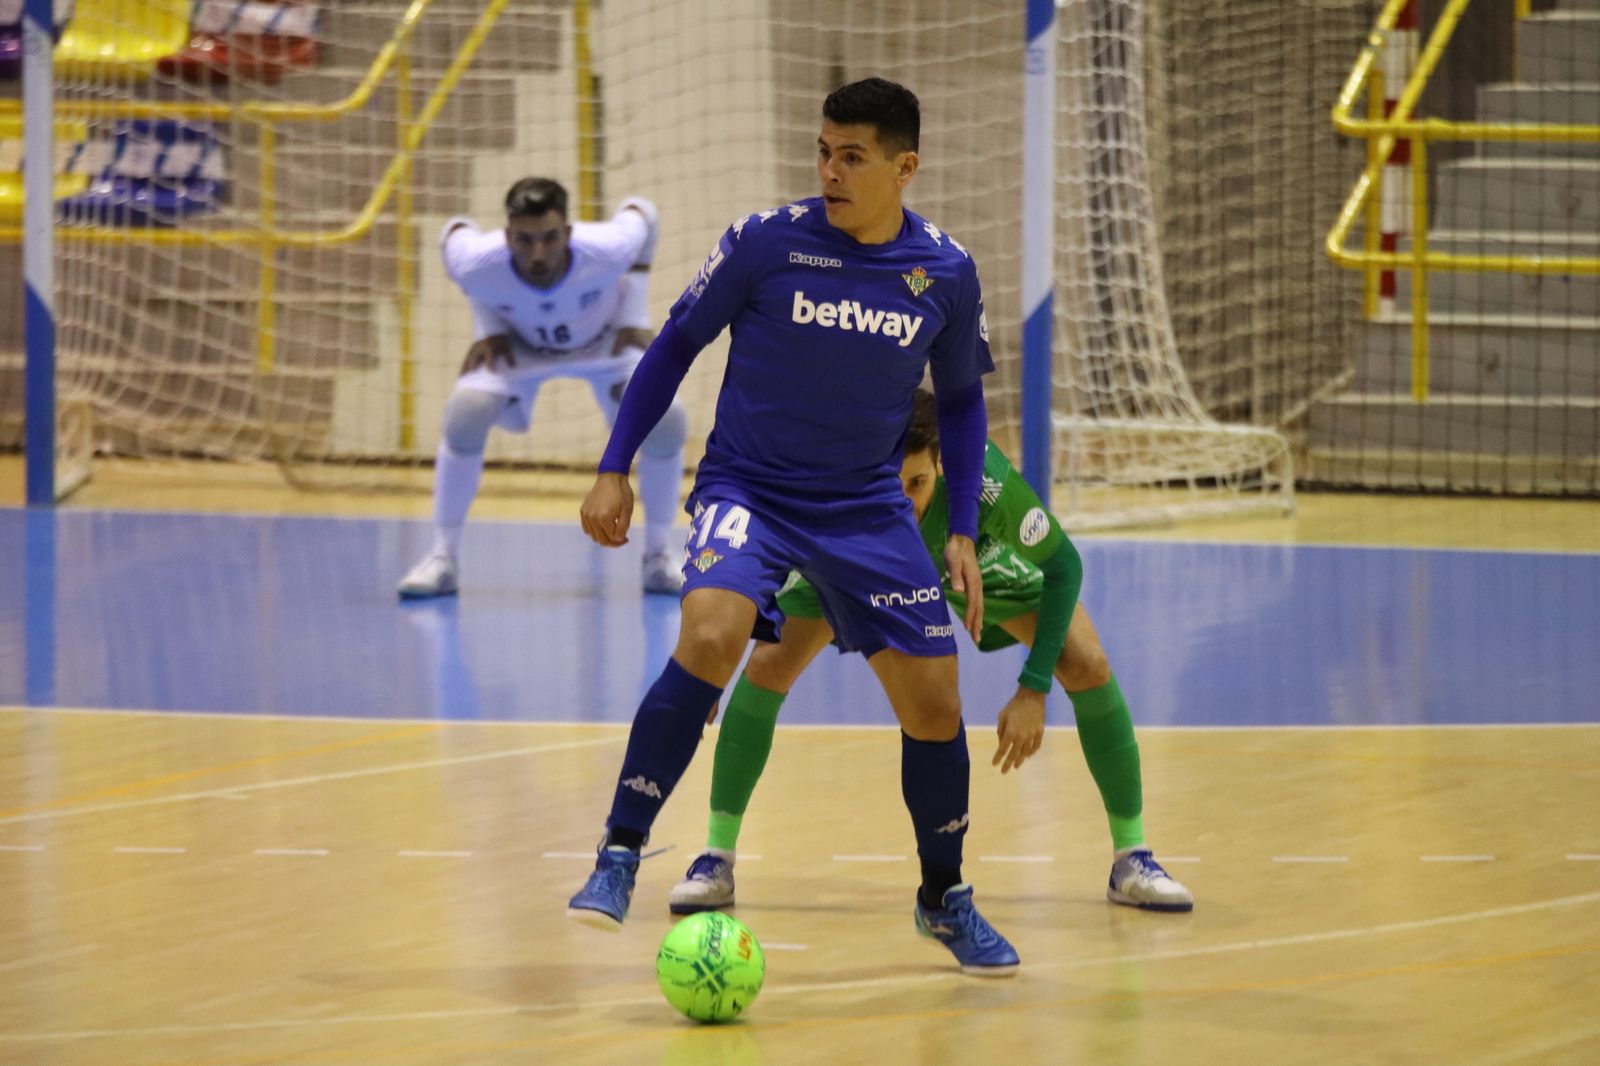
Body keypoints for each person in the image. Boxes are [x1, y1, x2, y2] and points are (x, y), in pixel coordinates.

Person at [567, 78, 1020, 976]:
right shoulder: (764, 242)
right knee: (711, 634)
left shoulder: (947, 273)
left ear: (904, 167)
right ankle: (619, 852)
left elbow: (963, 404)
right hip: (751, 490)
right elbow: (672, 347)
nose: (829, 171)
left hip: (864, 507)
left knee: (936, 705)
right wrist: (613, 467)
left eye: (851, 156)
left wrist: (960, 526)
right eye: (822, 151)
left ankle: (944, 897)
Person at [668, 389, 1195, 916]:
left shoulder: (982, 479)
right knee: (766, 666)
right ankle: (716, 859)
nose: (904, 502)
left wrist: (1033, 687)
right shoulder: (831, 469)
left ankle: (1132, 857)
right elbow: (761, 558)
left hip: (957, 558)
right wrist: (713, 669)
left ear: (942, 463)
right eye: (890, 483)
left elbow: (1064, 567)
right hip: (857, 558)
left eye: (917, 483)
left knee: (1087, 664)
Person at [397, 177, 688, 599]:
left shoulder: (606, 248)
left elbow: (643, 211)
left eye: (550, 238)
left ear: (568, 233)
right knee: (465, 411)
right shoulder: (478, 259)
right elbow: (451, 234)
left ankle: (659, 557)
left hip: (605, 343)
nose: (538, 253)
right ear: (506, 235)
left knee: (668, 418)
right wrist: (489, 326)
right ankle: (443, 557)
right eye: (524, 239)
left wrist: (634, 317)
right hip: (521, 348)